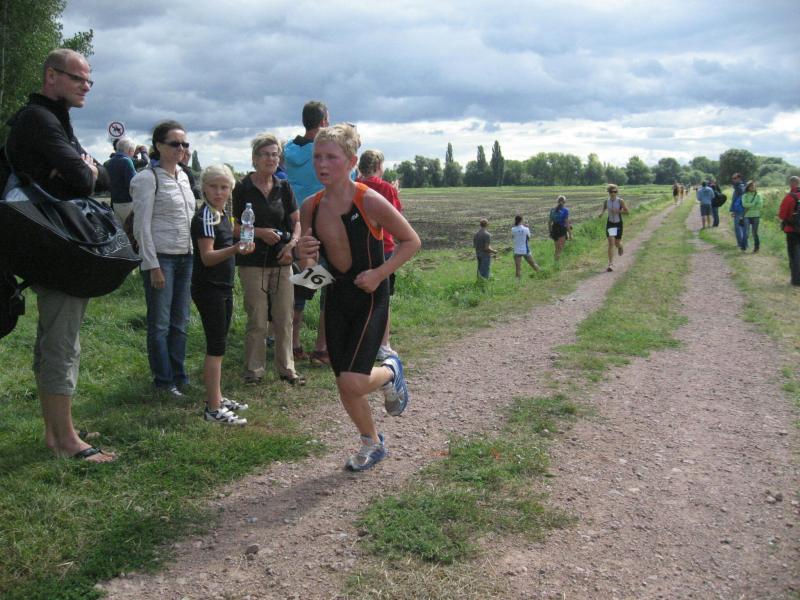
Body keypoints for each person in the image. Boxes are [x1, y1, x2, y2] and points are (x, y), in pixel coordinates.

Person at [4, 48, 114, 462]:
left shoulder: (54, 118)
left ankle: (56, 431)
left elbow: (102, 175)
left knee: (55, 339)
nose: (86, 86)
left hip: (49, 243)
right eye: (78, 78)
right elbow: (83, 179)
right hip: (54, 249)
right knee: (62, 343)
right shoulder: (39, 119)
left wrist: (81, 170)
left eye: (89, 80)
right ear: (51, 76)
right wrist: (80, 170)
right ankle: (66, 441)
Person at [297, 123, 421, 472]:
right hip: (336, 298)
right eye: (317, 157)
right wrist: (302, 254)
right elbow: (309, 267)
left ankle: (391, 370)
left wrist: (380, 273)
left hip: (370, 296)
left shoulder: (368, 200)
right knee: (344, 383)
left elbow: (412, 241)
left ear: (351, 162)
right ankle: (372, 443)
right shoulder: (310, 206)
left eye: (331, 157)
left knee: (352, 380)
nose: (322, 164)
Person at [233, 133, 304, 385]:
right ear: (254, 158)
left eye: (275, 155)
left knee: (284, 318)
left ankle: (287, 369)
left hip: (282, 260)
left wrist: (292, 245)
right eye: (265, 154)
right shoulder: (242, 188)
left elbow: (297, 222)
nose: (271, 159)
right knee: (257, 319)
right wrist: (260, 232)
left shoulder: (284, 187)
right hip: (252, 261)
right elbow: (231, 226)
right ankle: (254, 371)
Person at [131, 120, 196, 396]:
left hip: (186, 257)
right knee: (159, 324)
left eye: (185, 144)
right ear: (159, 146)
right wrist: (152, 265)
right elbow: (141, 226)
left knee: (180, 322)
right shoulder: (147, 179)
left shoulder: (184, 176)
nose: (181, 148)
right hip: (162, 258)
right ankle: (163, 381)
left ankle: (179, 376)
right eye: (175, 143)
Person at [191, 165, 254, 425]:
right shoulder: (206, 216)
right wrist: (236, 249)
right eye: (214, 186)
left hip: (222, 286)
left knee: (220, 344)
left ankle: (216, 397)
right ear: (204, 188)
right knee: (215, 347)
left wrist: (239, 248)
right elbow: (207, 257)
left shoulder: (222, 214)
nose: (219, 192)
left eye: (224, 187)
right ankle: (213, 409)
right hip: (209, 287)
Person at [284, 100, 330, 366]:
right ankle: (321, 348)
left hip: (298, 226)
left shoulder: (288, 151)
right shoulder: (324, 152)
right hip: (325, 226)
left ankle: (293, 344)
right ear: (323, 121)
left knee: (301, 288)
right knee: (328, 286)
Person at [356, 149, 403, 361]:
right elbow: (396, 217)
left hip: (357, 248)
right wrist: (395, 192)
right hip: (383, 247)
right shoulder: (385, 188)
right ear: (377, 166)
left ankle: (359, 341)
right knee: (382, 299)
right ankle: (383, 345)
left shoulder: (354, 186)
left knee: (359, 298)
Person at [106, 136, 137, 223]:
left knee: (121, 228)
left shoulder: (111, 161)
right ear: (130, 150)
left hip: (115, 201)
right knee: (131, 228)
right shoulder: (126, 161)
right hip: (127, 202)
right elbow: (132, 183)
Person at [599, 184, 629, 271]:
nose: (613, 193)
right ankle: (610, 264)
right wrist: (601, 213)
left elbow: (627, 212)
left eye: (615, 191)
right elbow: (604, 208)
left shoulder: (620, 201)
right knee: (611, 243)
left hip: (618, 224)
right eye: (612, 192)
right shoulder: (606, 201)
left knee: (616, 243)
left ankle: (620, 246)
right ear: (609, 192)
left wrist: (618, 211)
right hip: (610, 224)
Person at [778, 176, 800, 286]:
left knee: (794, 255)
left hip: (792, 230)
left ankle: (796, 280)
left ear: (791, 184)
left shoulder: (789, 197)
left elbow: (782, 215)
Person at [741, 180, 763, 253]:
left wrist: (750, 205)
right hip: (747, 215)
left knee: (754, 233)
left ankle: (756, 248)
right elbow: (744, 204)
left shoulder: (758, 195)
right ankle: (743, 247)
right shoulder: (744, 195)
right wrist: (754, 204)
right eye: (751, 186)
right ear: (748, 187)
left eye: (754, 186)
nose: (753, 187)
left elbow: (760, 205)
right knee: (746, 232)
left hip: (756, 215)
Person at [730, 173, 748, 250]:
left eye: (735, 178)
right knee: (744, 227)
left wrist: (733, 210)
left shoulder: (739, 187)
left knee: (738, 227)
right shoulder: (743, 186)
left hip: (739, 210)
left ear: (739, 178)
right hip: (744, 209)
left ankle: (741, 244)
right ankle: (745, 244)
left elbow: (736, 200)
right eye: (732, 178)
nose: (733, 180)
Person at [548, 195, 570, 262]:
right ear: (564, 202)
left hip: (554, 229)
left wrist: (550, 232)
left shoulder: (552, 210)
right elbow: (567, 223)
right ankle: (558, 261)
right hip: (562, 230)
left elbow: (549, 222)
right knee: (561, 247)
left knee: (556, 248)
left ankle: (556, 262)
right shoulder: (565, 210)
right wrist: (570, 234)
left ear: (557, 201)